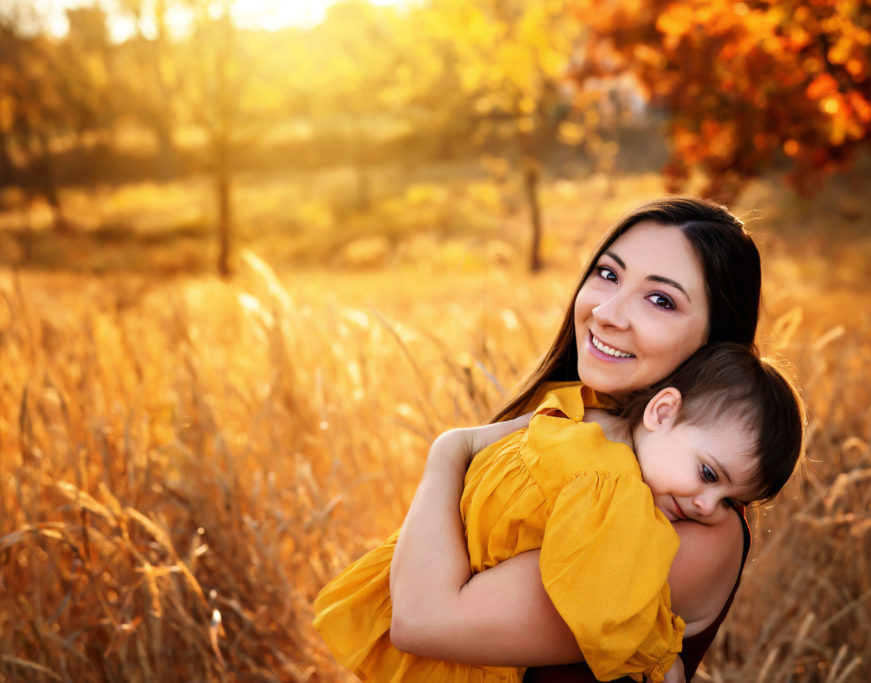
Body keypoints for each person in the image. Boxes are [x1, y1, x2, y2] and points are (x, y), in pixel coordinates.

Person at [361, 197, 771, 682]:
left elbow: (421, 620)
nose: (608, 312)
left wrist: (450, 448)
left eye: (660, 300)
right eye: (608, 274)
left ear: (715, 345)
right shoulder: (571, 428)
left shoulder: (699, 526)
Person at [314, 342, 803, 682]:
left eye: (731, 501)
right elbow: (608, 614)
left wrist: (449, 449)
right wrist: (655, 655)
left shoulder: (578, 419)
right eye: (709, 475)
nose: (705, 507)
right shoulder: (602, 468)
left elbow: (603, 604)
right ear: (661, 412)